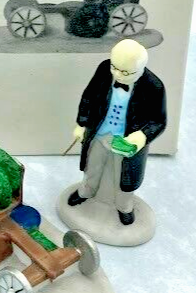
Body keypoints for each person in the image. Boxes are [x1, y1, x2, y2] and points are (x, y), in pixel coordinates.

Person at [68, 39, 166, 225]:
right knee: (92, 166)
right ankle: (86, 191)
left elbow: (159, 121)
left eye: (126, 72)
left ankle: (124, 207)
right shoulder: (104, 69)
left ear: (140, 69)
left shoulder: (154, 87)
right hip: (100, 132)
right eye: (115, 67)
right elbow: (88, 97)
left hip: (126, 140)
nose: (117, 74)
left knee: (123, 177)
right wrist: (82, 124)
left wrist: (141, 136)